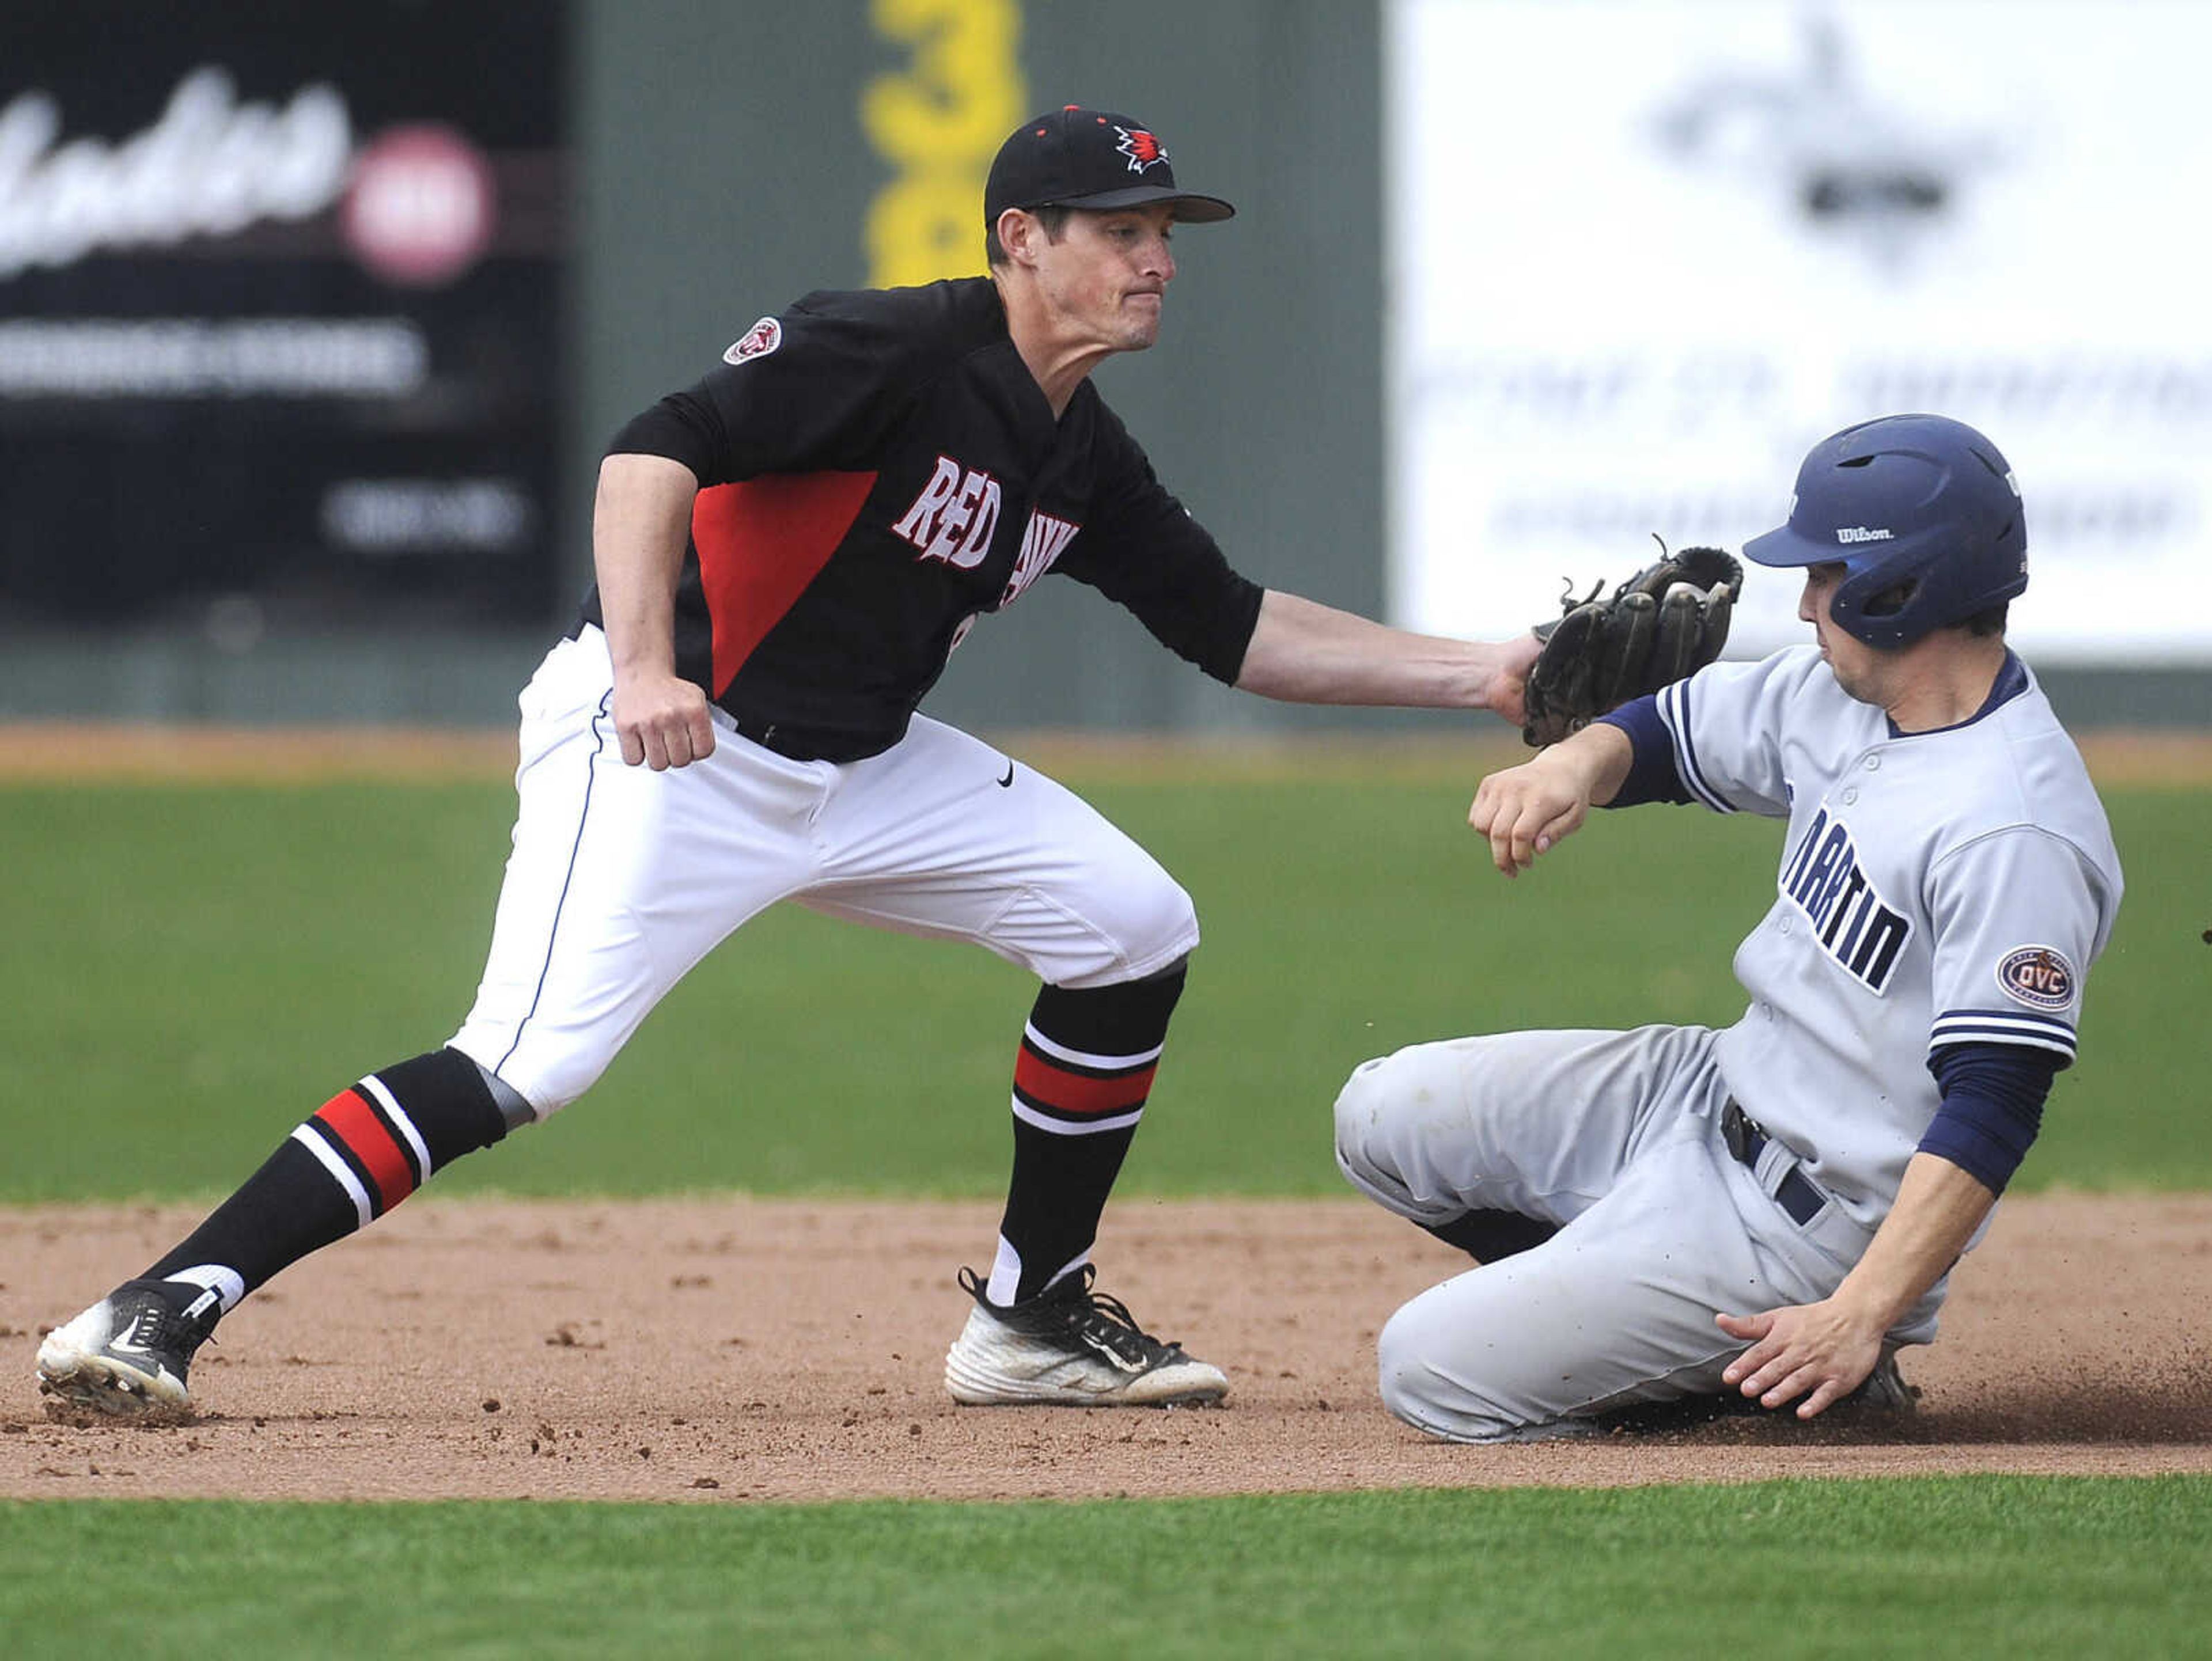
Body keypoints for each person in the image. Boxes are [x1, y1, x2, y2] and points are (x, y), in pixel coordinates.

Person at [38, 106, 1541, 1420]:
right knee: (527, 1060)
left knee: (1135, 926)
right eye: (1122, 228)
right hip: (669, 745)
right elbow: (650, 454)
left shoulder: (1083, 450)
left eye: (1166, 232)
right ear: (1023, 237)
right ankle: (160, 1301)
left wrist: (1485, 674)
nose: (1156, 258)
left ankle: (1030, 1319)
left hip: (861, 766)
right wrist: (644, 665)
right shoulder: (894, 348)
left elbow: (1235, 627)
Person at [1332, 414, 2123, 1441]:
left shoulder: (2012, 826)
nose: (1803, 604)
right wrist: (1568, 766)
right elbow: (1667, 734)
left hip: (1812, 1230)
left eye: (1826, 576)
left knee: (1430, 1372)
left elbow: (1996, 1108)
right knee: (1382, 1119)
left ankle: (1784, 1369)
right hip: (1701, 1089)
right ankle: (1642, 1302)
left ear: (1902, 592)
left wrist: (1858, 1314)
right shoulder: (1846, 698)